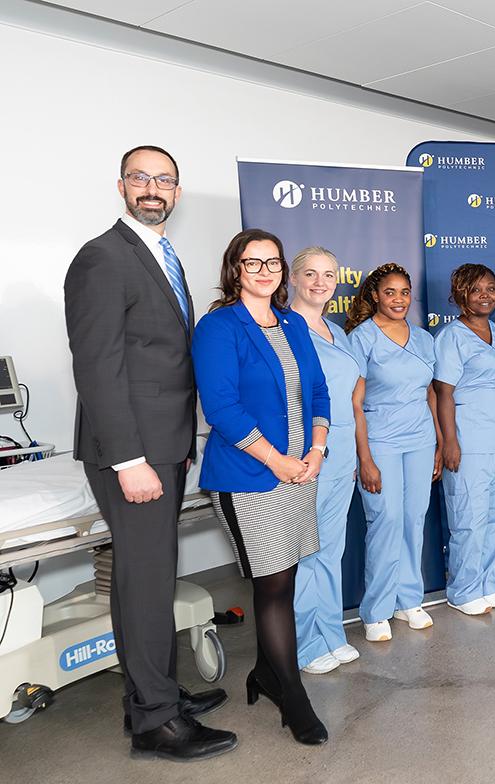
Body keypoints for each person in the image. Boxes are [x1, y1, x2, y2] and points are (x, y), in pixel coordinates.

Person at [64, 145, 236, 761]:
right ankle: (155, 725)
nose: (152, 188)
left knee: (151, 578)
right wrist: (129, 459)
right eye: (141, 178)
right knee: (143, 582)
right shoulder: (102, 258)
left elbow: (161, 362)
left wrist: (178, 445)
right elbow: (99, 368)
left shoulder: (162, 255)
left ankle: (154, 696)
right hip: (130, 450)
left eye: (164, 180)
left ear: (178, 192)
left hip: (162, 444)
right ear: (121, 185)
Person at [193, 229, 330, 745]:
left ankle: (268, 673)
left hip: (299, 472)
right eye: (254, 263)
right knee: (270, 584)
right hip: (251, 476)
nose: (266, 270)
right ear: (235, 269)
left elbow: (317, 390)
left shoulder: (293, 322)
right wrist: (277, 460)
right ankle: (292, 695)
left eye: (273, 262)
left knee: (284, 580)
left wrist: (316, 450)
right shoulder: (218, 327)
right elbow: (222, 407)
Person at [346, 263, 441, 636]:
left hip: (420, 439)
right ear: (374, 296)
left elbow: (431, 393)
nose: (399, 299)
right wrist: (364, 457)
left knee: (413, 519)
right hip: (380, 440)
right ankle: (376, 611)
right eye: (390, 292)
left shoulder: (423, 339)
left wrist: (438, 442)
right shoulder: (362, 338)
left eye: (404, 292)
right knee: (385, 520)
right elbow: (354, 404)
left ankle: (408, 600)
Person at [288, 247, 362, 672]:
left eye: (328, 275)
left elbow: (350, 398)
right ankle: (305, 645)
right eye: (310, 274)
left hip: (341, 455)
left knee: (330, 552)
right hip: (308, 456)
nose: (320, 282)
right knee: (305, 553)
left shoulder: (339, 333)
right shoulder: (283, 328)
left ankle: (331, 632)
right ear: (293, 279)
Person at [434, 264, 495, 615]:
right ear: (460, 295)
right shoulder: (451, 337)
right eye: (476, 290)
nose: (485, 295)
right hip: (468, 436)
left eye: (491, 288)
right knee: (468, 515)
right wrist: (449, 442)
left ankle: (485, 581)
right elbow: (443, 393)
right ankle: (462, 589)